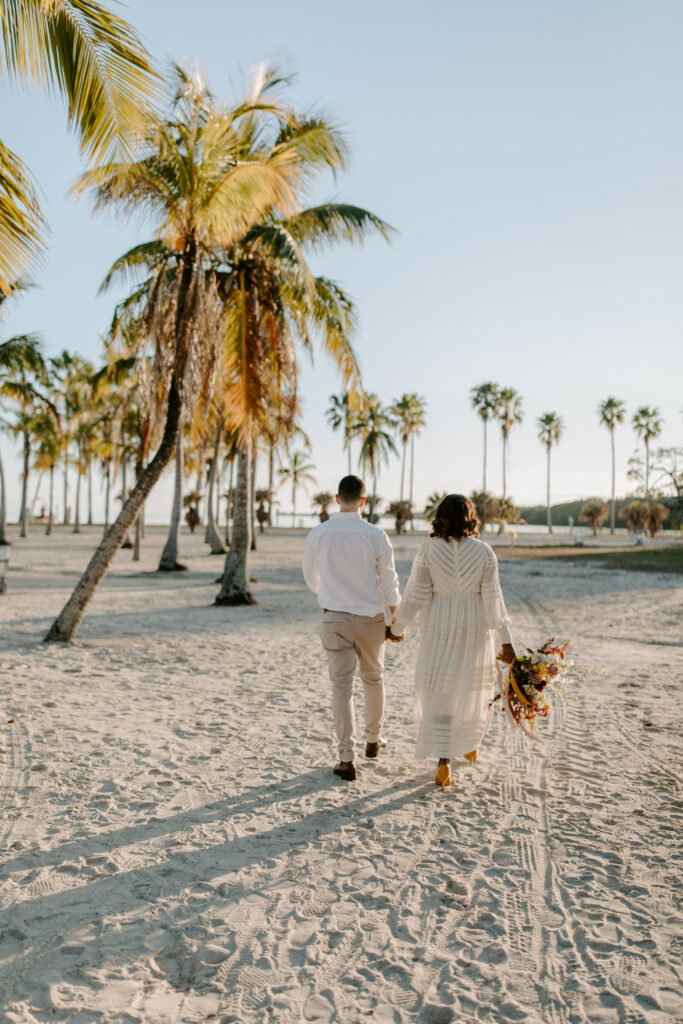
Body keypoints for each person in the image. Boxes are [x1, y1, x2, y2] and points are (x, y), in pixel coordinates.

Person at [389, 494, 516, 788]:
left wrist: (397, 628)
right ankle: (468, 744)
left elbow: (416, 595)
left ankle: (445, 761)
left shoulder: (428, 550)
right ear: (470, 517)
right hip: (474, 626)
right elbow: (493, 600)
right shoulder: (485, 552)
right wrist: (505, 640)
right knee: (470, 685)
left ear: (440, 517)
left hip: (441, 627)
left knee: (443, 689)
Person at [303, 474, 402, 781]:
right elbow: (390, 584)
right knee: (374, 679)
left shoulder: (319, 533)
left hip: (334, 617)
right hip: (371, 618)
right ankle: (373, 739)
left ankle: (347, 758)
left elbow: (310, 577)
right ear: (363, 500)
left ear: (337, 499)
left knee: (341, 687)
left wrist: (330, 591)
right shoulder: (376, 535)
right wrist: (395, 623)